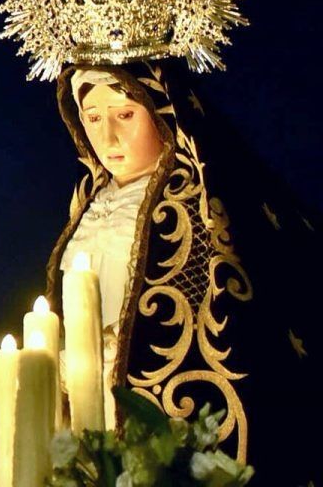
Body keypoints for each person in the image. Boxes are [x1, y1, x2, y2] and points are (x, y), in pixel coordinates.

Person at [44, 59, 320, 485]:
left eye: (125, 115)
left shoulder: (193, 199)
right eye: (93, 118)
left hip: (159, 406)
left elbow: (222, 316)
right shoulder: (86, 202)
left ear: (161, 110)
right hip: (82, 400)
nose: (107, 137)